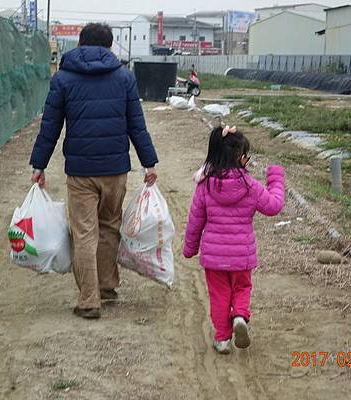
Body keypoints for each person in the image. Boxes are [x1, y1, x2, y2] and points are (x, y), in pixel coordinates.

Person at [29, 23, 159, 319]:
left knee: (84, 233)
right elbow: (136, 125)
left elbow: (50, 126)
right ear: (110, 46)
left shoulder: (62, 79)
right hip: (115, 170)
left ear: (79, 44)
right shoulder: (124, 78)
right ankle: (108, 287)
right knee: (109, 227)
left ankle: (89, 300)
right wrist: (148, 163)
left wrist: (40, 165)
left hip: (81, 171)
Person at [183, 126, 285, 353]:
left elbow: (195, 221)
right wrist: (276, 178)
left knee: (219, 296)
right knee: (241, 287)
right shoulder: (250, 185)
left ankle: (222, 339)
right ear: (240, 158)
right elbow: (274, 206)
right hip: (241, 255)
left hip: (214, 257)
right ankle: (239, 316)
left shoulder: (205, 185)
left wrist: (190, 248)